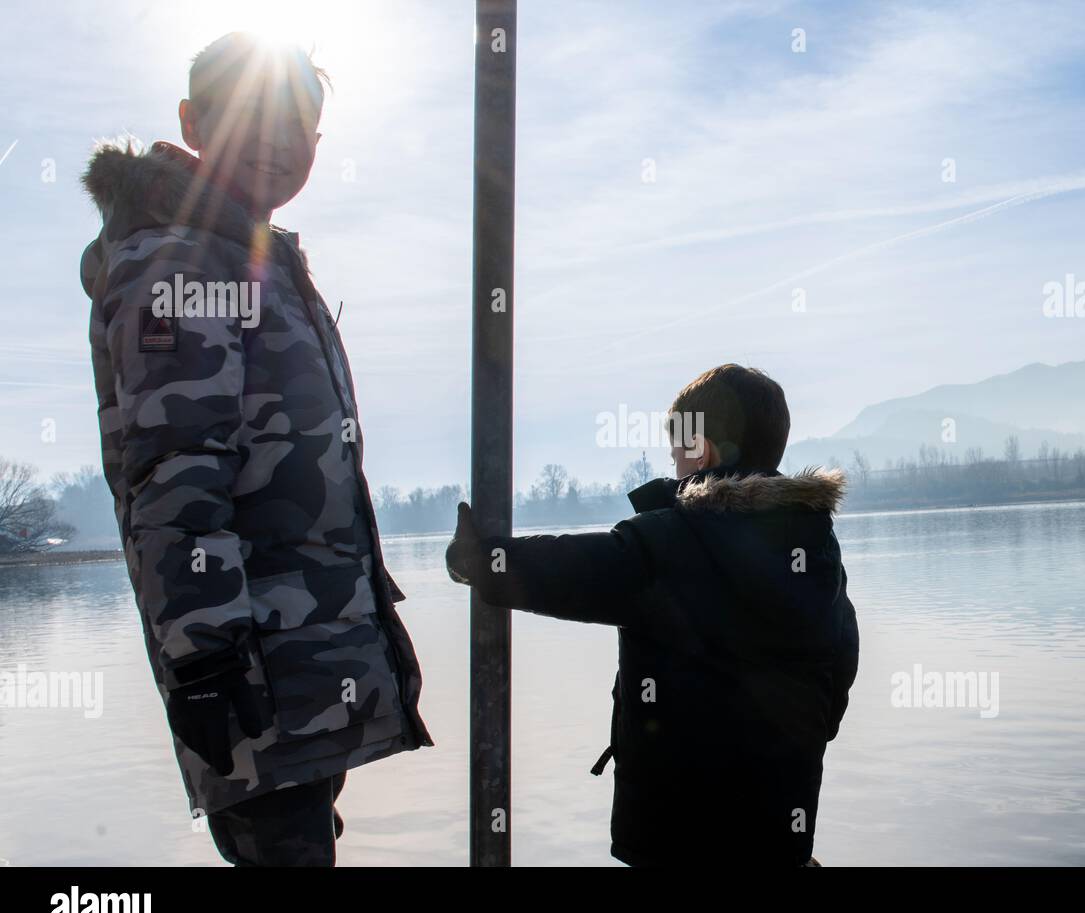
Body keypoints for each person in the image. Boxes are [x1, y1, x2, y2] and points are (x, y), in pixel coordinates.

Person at [79, 32, 432, 866]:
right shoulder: (180, 260)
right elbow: (175, 464)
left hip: (298, 651)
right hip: (251, 666)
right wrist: (204, 658)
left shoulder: (248, 259)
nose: (281, 142)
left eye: (301, 125)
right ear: (193, 121)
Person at [446, 364, 859, 865]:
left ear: (702, 450)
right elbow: (838, 672)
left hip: (677, 836)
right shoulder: (817, 552)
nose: (674, 465)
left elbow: (575, 571)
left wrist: (482, 561)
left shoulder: (669, 542)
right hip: (779, 831)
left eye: (675, 452)